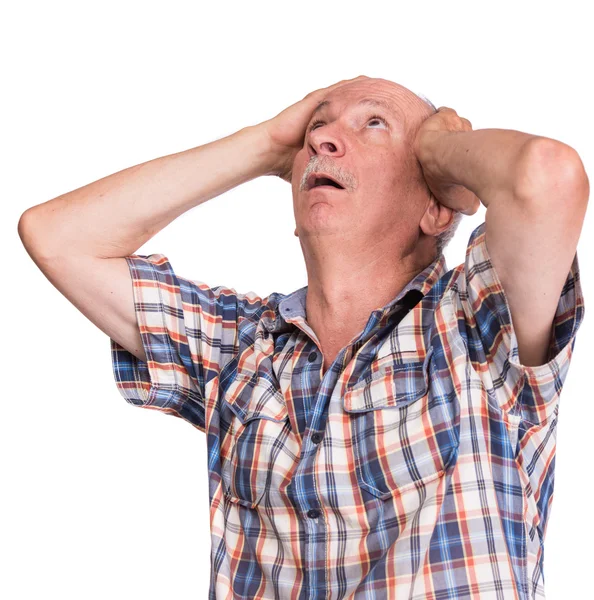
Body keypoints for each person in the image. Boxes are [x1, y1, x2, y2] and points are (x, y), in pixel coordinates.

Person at [18, 75, 588, 599]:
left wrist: (440, 150)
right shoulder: (241, 346)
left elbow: (548, 176)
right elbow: (58, 236)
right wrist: (267, 143)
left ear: (437, 210)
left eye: (373, 125)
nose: (325, 143)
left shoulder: (475, 325)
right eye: (317, 128)